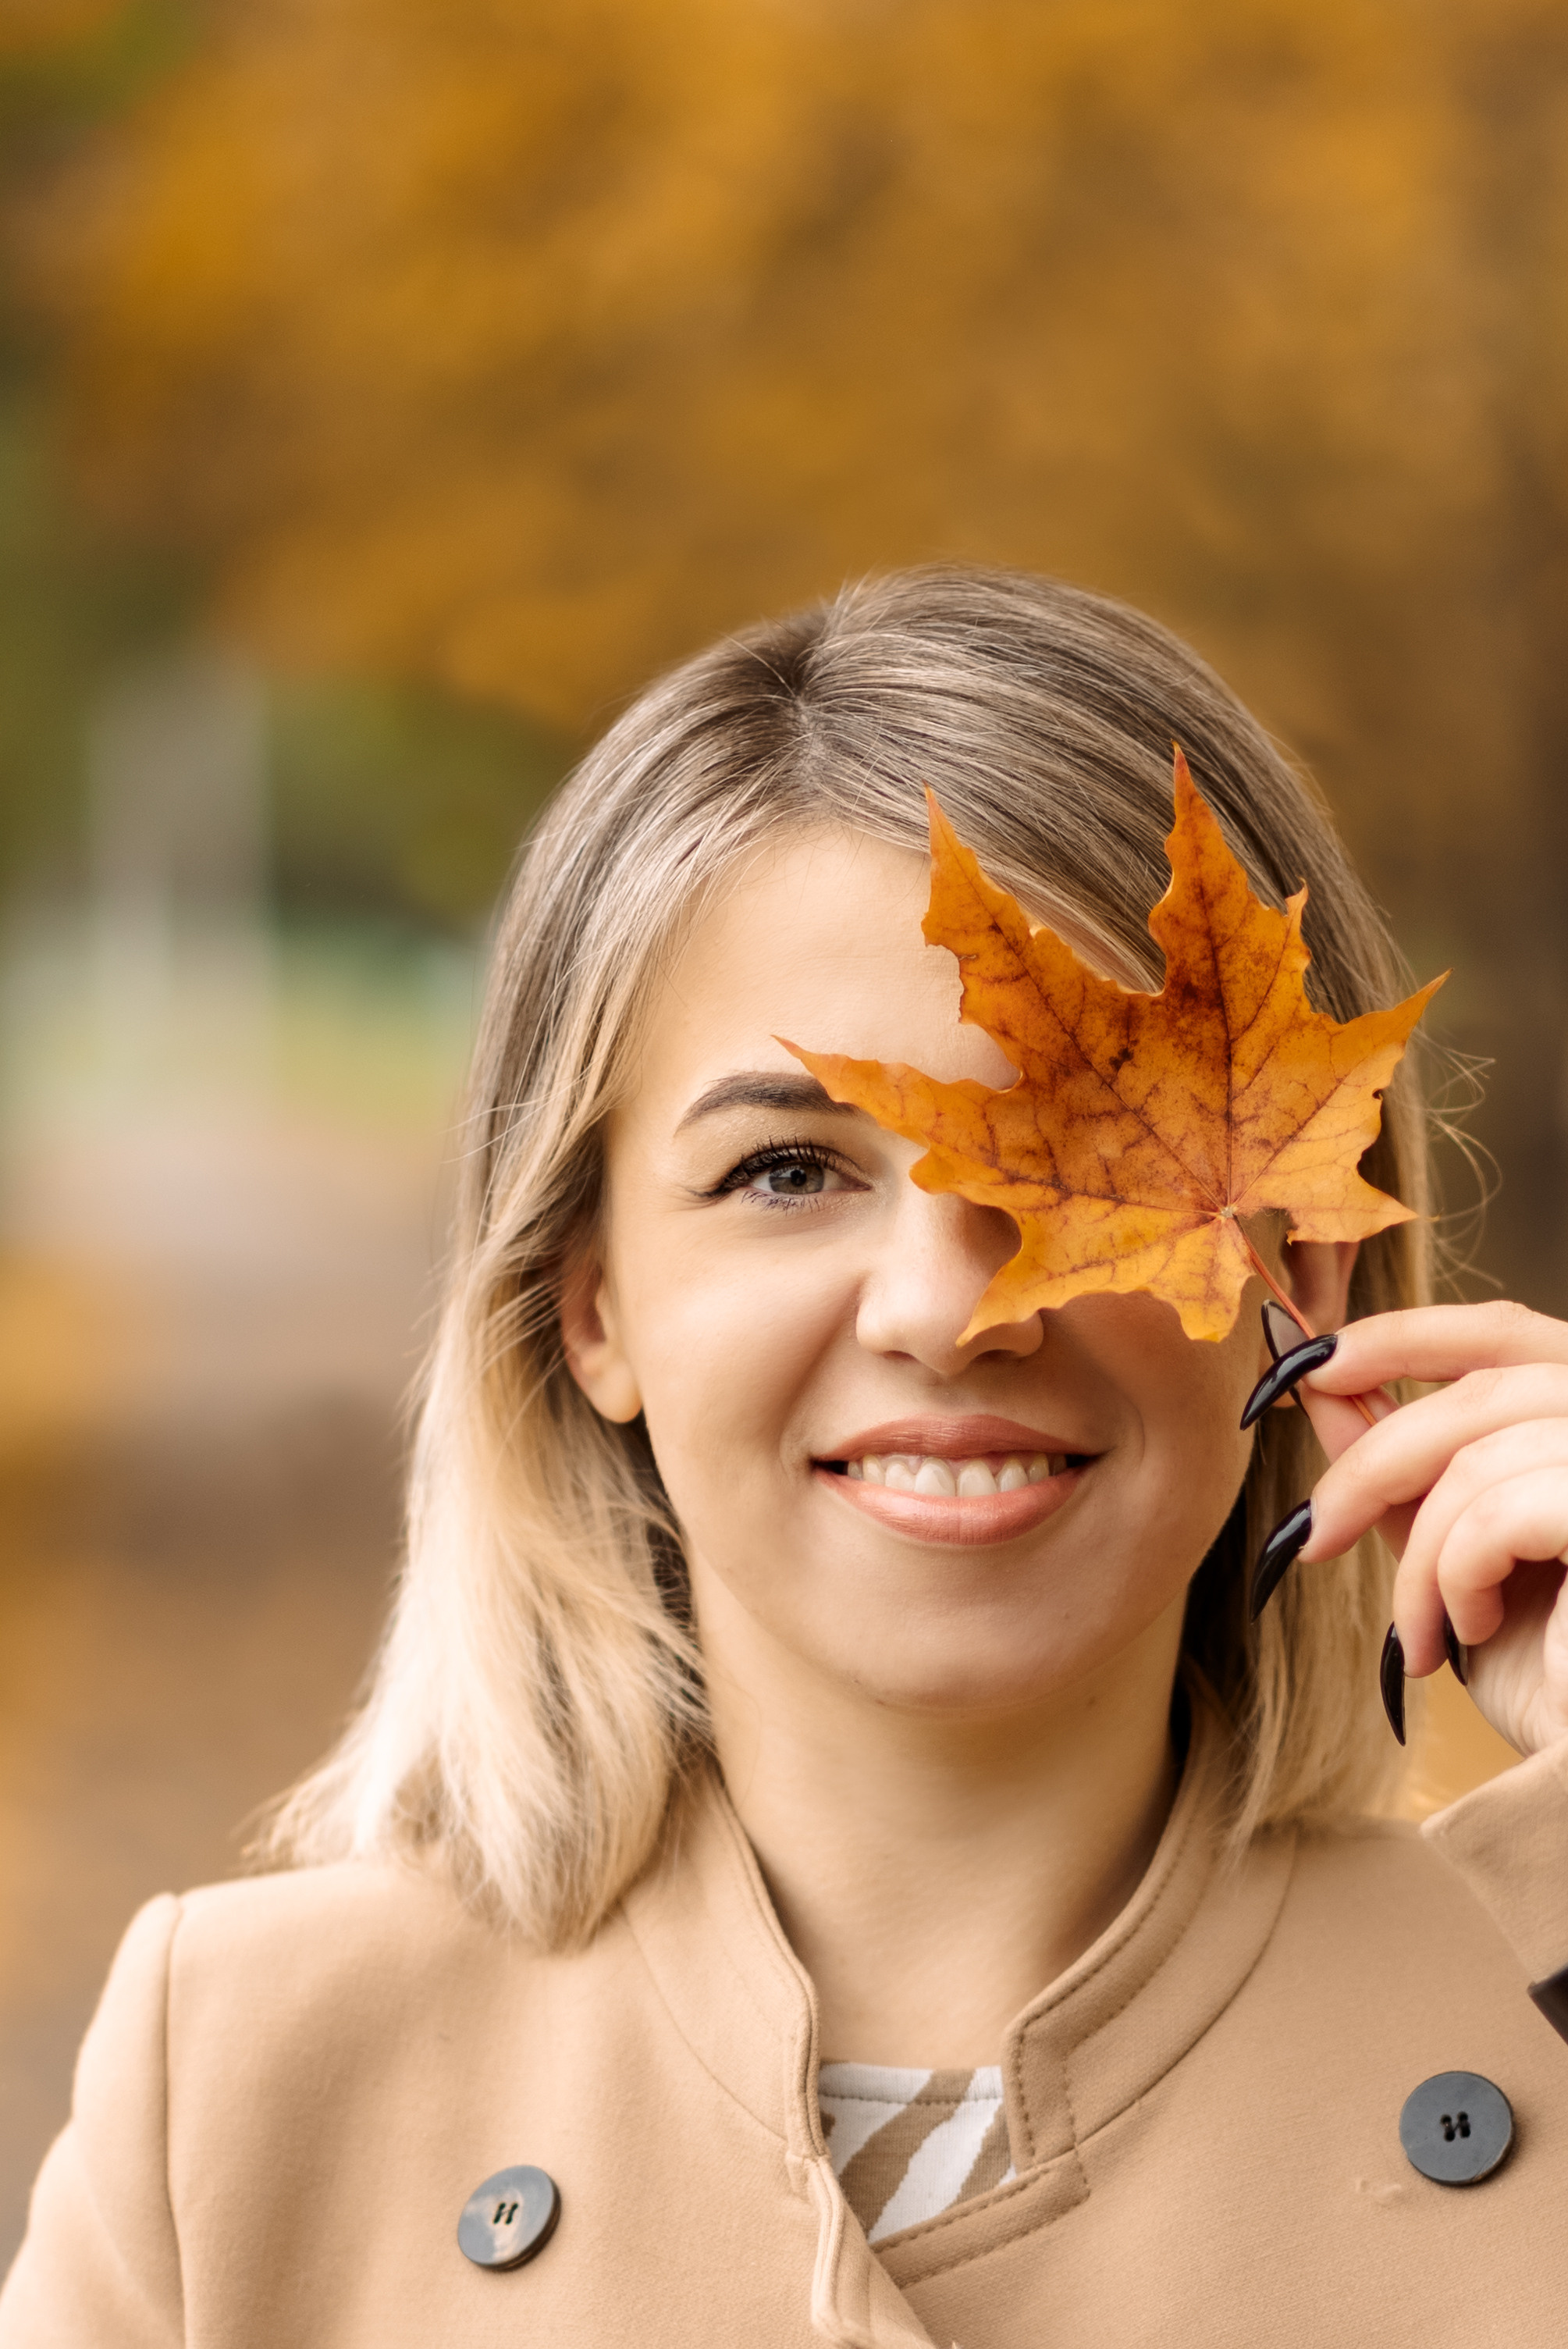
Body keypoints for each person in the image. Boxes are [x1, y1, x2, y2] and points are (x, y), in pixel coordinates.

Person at [5, 566, 1568, 2349]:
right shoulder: (243, 2089)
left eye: (1079, 1168)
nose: (946, 1305)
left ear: (1300, 1264)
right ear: (591, 1308)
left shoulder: (1546, 2013)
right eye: (786, 1171)